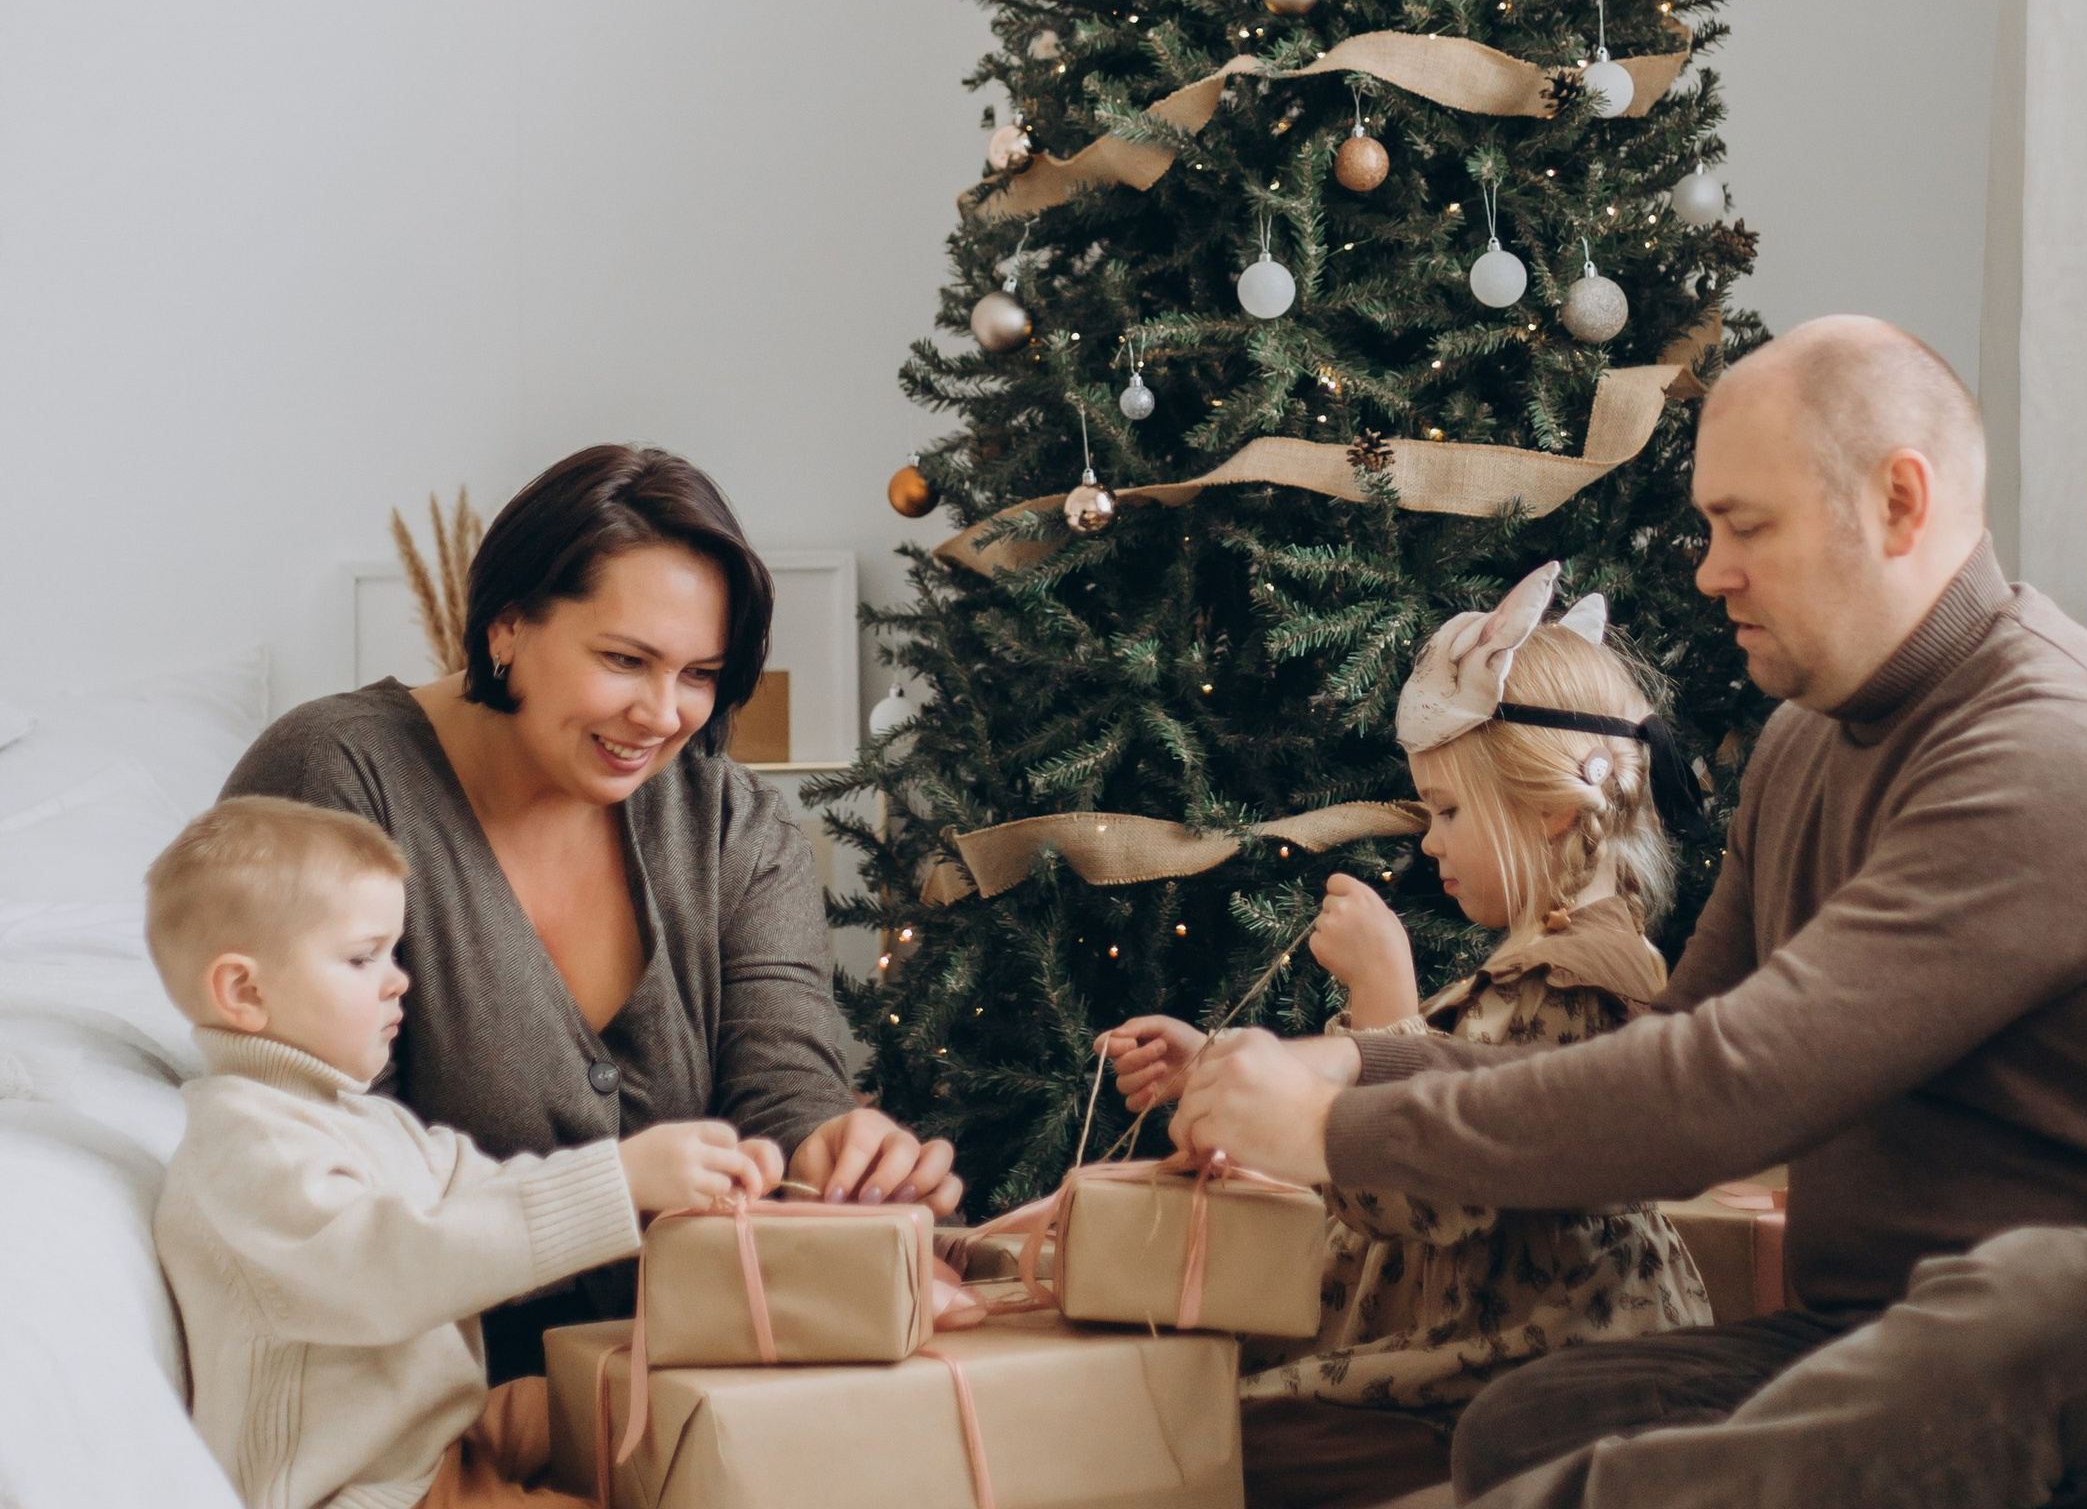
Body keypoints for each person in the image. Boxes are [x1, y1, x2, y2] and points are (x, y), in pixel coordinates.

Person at [1168, 316, 2087, 1509]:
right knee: (1532, 1420)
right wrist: (1352, 1058)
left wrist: (1332, 1131)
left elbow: (1726, 1090)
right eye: (1708, 526)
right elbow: (1655, 1054)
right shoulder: (1806, 744)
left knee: (2034, 1309)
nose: (1708, 571)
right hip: (1886, 1333)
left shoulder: (2052, 746)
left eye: (1744, 526)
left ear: (1899, 504)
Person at [224, 444, 960, 1379]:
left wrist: (837, 1147)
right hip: (427, 1410)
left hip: (700, 1390)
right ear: (506, 628)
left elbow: (781, 1091)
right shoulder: (331, 779)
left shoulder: (735, 823)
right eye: (625, 659)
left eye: (700, 674)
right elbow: (314, 1173)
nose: (662, 714)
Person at [1105, 574, 1713, 1509]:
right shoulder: (1547, 959)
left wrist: (1383, 993)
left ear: (1555, 808)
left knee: (1212, 1438)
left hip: (1511, 1367)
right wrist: (1221, 1071)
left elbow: (1443, 1190)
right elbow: (1405, 1085)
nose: (1430, 841)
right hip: (1467, 1345)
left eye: (1450, 811)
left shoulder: (1578, 979)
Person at [147, 795, 786, 1509]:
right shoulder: (245, 1147)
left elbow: (489, 1196)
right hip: (372, 1488)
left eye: (394, 951)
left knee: (663, 1413)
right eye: (363, 958)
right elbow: (394, 1267)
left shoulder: (364, 1121)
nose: (399, 978)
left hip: (447, 1434)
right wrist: (618, 1182)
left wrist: (659, 1186)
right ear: (244, 990)